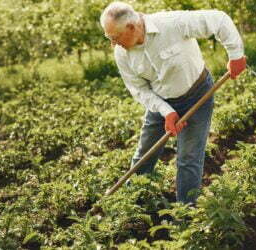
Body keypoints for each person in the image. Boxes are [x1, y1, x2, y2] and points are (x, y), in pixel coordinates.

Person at [100, 2, 246, 205]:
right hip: (160, 103)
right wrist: (166, 111)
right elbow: (139, 89)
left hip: (197, 94)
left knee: (188, 159)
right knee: (144, 155)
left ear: (132, 27)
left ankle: (185, 214)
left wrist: (236, 55)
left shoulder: (171, 23)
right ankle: (133, 206)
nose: (113, 44)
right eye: (109, 38)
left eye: (115, 37)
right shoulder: (122, 53)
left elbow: (218, 20)